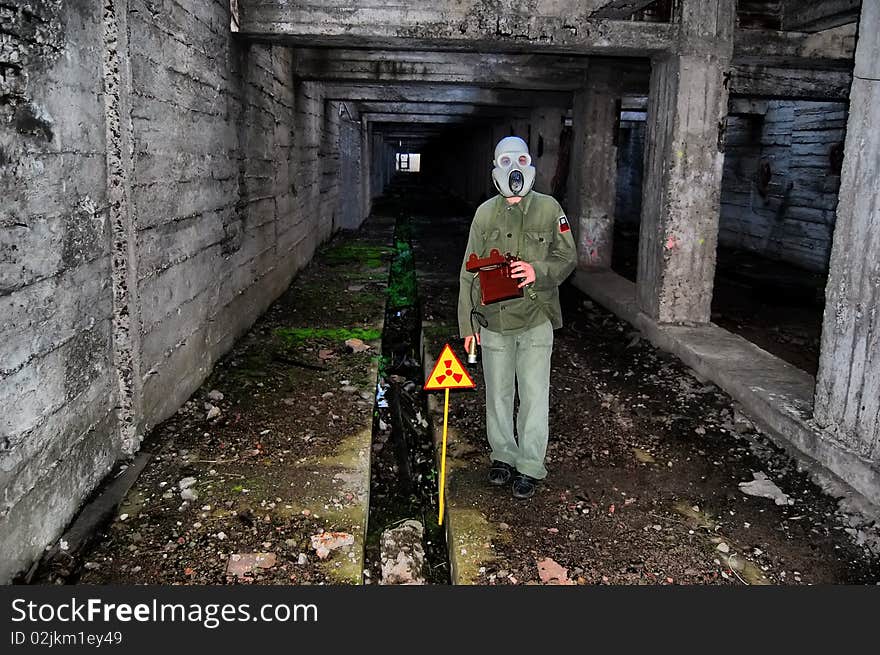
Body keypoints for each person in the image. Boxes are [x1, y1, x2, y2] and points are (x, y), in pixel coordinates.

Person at [458, 136, 577, 499]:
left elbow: (567, 257)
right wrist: (468, 324)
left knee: (534, 395)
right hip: (494, 320)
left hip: (536, 317)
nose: (514, 169)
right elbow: (468, 272)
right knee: (498, 394)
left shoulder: (549, 208)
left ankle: (529, 465)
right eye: (506, 161)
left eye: (520, 160)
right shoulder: (484, 214)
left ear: (529, 165)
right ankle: (503, 457)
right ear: (495, 167)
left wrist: (537, 270)